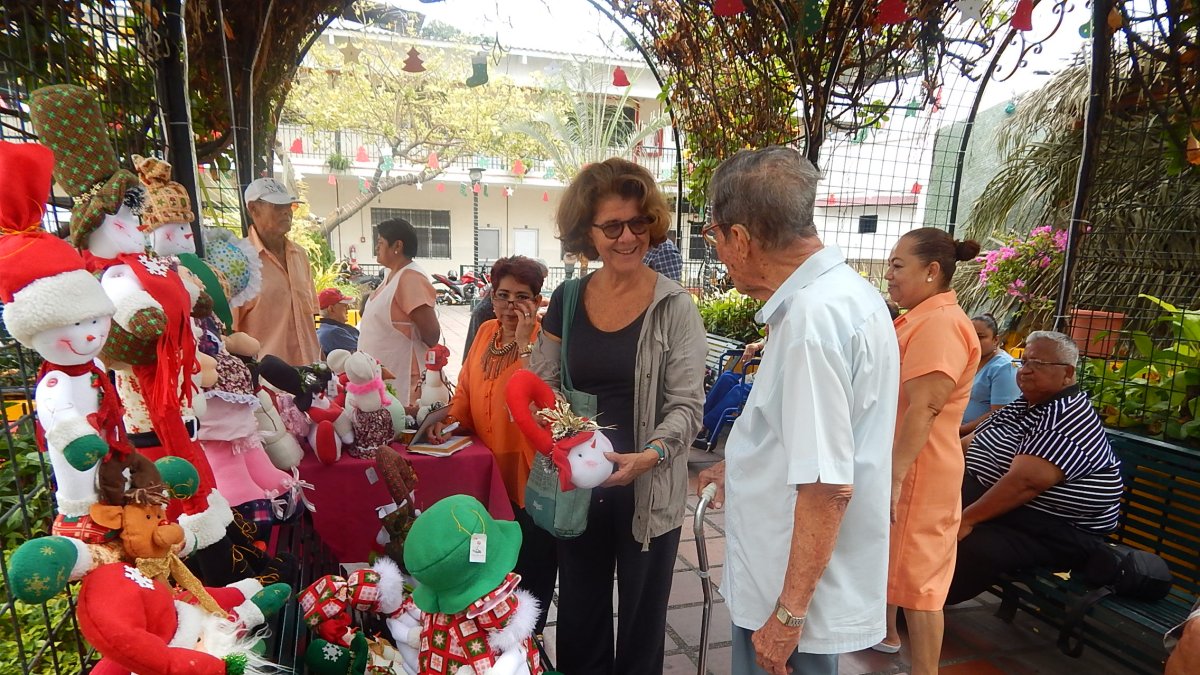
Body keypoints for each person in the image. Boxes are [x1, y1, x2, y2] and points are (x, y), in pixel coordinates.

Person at [696, 146, 900, 675]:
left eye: (715, 236)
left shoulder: (813, 319)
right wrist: (741, 466)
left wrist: (788, 615)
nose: (720, 252)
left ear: (740, 237)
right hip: (789, 576)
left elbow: (827, 485)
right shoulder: (844, 295)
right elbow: (811, 437)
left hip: (787, 592)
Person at [529, 157, 706, 674]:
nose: (628, 237)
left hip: (648, 488)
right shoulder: (568, 299)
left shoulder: (674, 306)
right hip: (579, 484)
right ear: (587, 232)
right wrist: (563, 433)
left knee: (641, 628)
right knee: (580, 616)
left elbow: (687, 404)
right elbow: (543, 380)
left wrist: (650, 455)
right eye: (612, 227)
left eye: (638, 223)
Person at [428, 256, 556, 635]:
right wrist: (448, 422)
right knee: (493, 566)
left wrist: (524, 343)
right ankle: (491, 639)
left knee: (531, 567)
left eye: (522, 297)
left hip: (530, 474)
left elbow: (543, 402)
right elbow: (466, 390)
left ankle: (529, 641)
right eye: (503, 295)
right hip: (487, 471)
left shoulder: (545, 342)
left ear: (537, 301)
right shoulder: (486, 332)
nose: (511, 305)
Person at [946, 331, 1122, 604]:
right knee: (924, 512)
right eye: (1024, 361)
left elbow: (1024, 483)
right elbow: (969, 443)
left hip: (1056, 529)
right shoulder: (1025, 404)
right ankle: (899, 596)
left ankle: (920, 607)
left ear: (1067, 373)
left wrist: (966, 519)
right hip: (1013, 511)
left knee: (973, 545)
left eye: (1037, 364)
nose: (1025, 371)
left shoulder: (1066, 416)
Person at [878, 227, 981, 674]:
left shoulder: (940, 324)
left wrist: (895, 474)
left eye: (898, 265)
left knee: (921, 587)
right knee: (904, 573)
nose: (889, 274)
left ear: (932, 270)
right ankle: (887, 637)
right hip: (911, 465)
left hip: (919, 471)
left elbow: (926, 406)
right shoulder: (922, 318)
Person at [233, 178, 321, 365]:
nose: (286, 211)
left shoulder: (300, 255)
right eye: (277, 206)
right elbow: (230, 331)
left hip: (310, 371)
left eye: (289, 206)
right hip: (266, 378)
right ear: (253, 209)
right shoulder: (238, 261)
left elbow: (312, 315)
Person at [357, 218, 441, 408]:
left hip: (402, 377)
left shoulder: (410, 278)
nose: (376, 248)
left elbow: (431, 334)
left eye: (380, 243)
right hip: (381, 377)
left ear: (397, 246)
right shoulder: (391, 275)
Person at [959, 314, 1020, 436]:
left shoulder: (1004, 367)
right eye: (969, 336)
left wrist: (960, 431)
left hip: (977, 435)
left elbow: (999, 414)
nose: (973, 341)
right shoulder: (967, 360)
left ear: (995, 340)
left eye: (980, 337)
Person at [316, 288, 360, 356]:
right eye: (345, 306)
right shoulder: (334, 333)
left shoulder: (324, 329)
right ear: (331, 309)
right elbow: (364, 354)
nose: (348, 309)